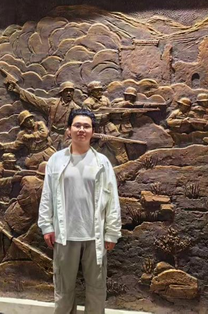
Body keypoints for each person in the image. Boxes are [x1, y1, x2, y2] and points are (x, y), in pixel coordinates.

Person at [38, 108, 122, 313]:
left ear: (93, 131)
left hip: (95, 236)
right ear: (69, 129)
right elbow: (47, 195)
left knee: (96, 288)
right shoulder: (56, 160)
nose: (81, 130)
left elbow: (112, 200)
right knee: (63, 289)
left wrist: (112, 232)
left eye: (86, 126)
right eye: (77, 125)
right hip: (64, 235)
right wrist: (47, 226)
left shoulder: (102, 162)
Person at [5, 79, 80, 148]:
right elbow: (35, 100)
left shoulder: (77, 109)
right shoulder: (52, 103)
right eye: (66, 91)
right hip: (51, 136)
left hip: (67, 138)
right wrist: (19, 90)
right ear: (61, 92)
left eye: (71, 91)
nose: (69, 93)